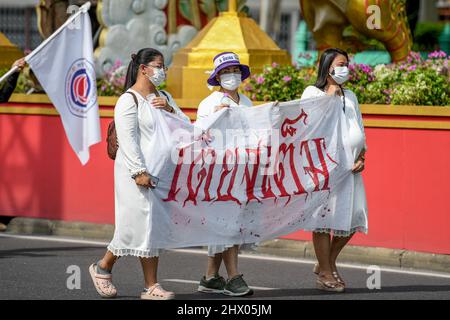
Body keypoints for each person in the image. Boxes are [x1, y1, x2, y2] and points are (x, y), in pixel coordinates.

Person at [89, 48, 190, 300]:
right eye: (158, 65)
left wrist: (169, 109)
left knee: (149, 227)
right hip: (134, 174)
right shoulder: (128, 100)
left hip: (161, 174)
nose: (162, 71)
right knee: (134, 226)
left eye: (164, 66)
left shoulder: (164, 96)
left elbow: (187, 127)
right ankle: (111, 270)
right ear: (143, 68)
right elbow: (128, 139)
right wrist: (138, 172)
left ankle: (135, 280)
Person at [300, 48, 368, 293]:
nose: (345, 68)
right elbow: (307, 125)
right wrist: (328, 95)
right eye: (340, 64)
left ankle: (324, 263)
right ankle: (326, 273)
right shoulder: (312, 92)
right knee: (323, 221)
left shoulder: (350, 95)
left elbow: (358, 126)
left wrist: (362, 155)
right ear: (327, 67)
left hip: (350, 170)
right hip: (323, 170)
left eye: (347, 64)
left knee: (351, 221)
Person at [196, 52, 254, 296]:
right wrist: (215, 117)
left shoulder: (248, 103)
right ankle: (233, 277)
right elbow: (199, 135)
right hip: (219, 174)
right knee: (228, 223)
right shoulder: (209, 104)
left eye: (235, 71)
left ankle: (210, 277)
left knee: (231, 224)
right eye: (227, 72)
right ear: (217, 76)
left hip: (243, 171)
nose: (232, 75)